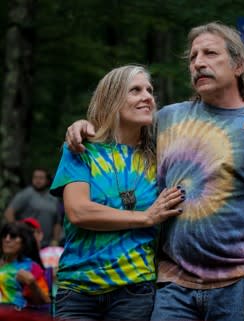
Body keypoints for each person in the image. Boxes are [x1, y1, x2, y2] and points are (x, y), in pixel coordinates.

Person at [65, 22, 244, 320]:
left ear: (239, 65)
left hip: (241, 285)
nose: (199, 63)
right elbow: (118, 135)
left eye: (210, 53)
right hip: (173, 285)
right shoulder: (167, 119)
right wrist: (84, 126)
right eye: (193, 57)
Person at [49, 65, 185, 321]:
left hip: (134, 290)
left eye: (149, 90)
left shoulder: (162, 156)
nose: (147, 96)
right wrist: (146, 217)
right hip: (78, 289)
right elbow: (79, 211)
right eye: (135, 90)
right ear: (111, 99)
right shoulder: (81, 149)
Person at [3, 168, 62, 248]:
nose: (38, 180)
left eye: (41, 178)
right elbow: (8, 213)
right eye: (35, 177)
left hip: (47, 244)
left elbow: (57, 222)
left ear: (47, 180)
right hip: (28, 243)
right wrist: (17, 232)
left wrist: (55, 240)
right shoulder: (26, 194)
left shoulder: (53, 197)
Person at [0, 221, 50, 311]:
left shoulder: (31, 267)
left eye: (13, 236)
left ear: (23, 242)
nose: (7, 239)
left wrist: (32, 283)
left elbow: (44, 301)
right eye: (4, 236)